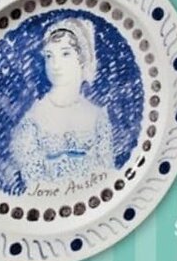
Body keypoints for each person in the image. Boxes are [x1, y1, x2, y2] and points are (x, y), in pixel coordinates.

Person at [12, 17, 114, 184]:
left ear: (82, 58)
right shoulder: (33, 118)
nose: (55, 64)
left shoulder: (97, 117)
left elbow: (106, 175)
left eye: (65, 54)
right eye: (49, 56)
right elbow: (31, 181)